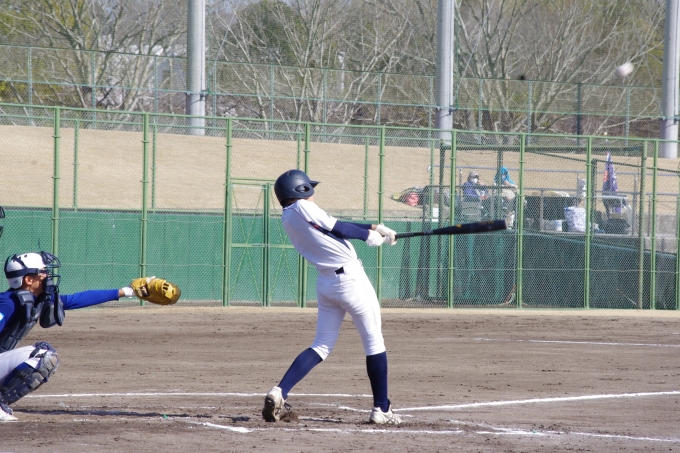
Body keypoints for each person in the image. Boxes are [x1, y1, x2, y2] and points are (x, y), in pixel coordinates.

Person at [262, 169, 401, 425]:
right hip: (351, 281)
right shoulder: (303, 206)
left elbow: (332, 225)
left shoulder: (289, 216)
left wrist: (374, 227)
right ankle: (381, 408)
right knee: (374, 343)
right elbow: (339, 228)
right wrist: (368, 236)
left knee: (321, 345)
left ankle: (280, 391)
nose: (313, 194)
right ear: (300, 190)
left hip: (326, 283)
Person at [0, 251, 165, 422]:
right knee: (42, 356)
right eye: (43, 271)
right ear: (28, 279)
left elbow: (78, 299)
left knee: (46, 354)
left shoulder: (35, 300)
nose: (48, 275)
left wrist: (128, 291)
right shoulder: (9, 303)